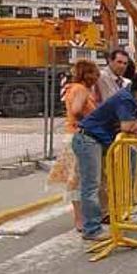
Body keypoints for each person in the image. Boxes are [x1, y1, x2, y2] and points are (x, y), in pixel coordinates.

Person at [73, 70, 137, 241]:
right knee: (91, 185)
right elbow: (127, 126)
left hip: (102, 140)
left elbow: (128, 124)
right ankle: (91, 229)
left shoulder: (131, 98)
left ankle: (111, 210)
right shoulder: (125, 98)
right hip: (89, 140)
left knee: (127, 160)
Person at [48, 60, 100, 232]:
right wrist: (89, 124)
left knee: (78, 179)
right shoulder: (80, 90)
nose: (96, 77)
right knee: (78, 180)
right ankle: (80, 219)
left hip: (74, 136)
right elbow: (77, 110)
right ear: (86, 74)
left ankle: (81, 218)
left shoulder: (75, 89)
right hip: (78, 137)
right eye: (93, 73)